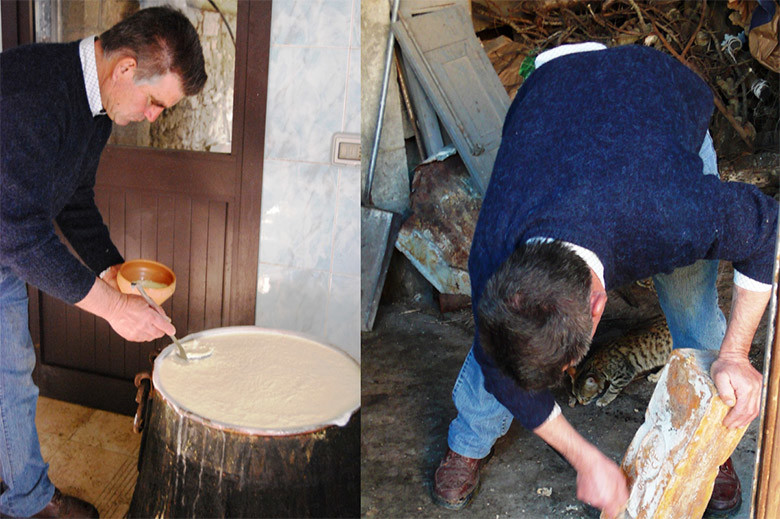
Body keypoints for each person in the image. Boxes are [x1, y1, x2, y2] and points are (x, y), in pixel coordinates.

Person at [431, 42, 777, 518]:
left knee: (693, 311)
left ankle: (709, 448)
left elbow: (765, 230)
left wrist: (737, 354)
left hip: (655, 99)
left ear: (599, 305)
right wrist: (583, 457)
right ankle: (469, 439)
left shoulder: (676, 215)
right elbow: (498, 360)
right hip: (556, 98)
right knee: (506, 347)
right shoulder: (495, 249)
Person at [0, 7, 206, 517]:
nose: (154, 116)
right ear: (126, 69)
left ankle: (17, 492)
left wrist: (114, 270)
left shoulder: (97, 106)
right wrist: (114, 309)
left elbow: (73, 198)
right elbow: (21, 234)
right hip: (7, 239)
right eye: (156, 102)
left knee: (8, 371)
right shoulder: (36, 95)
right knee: (10, 372)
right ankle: (24, 501)